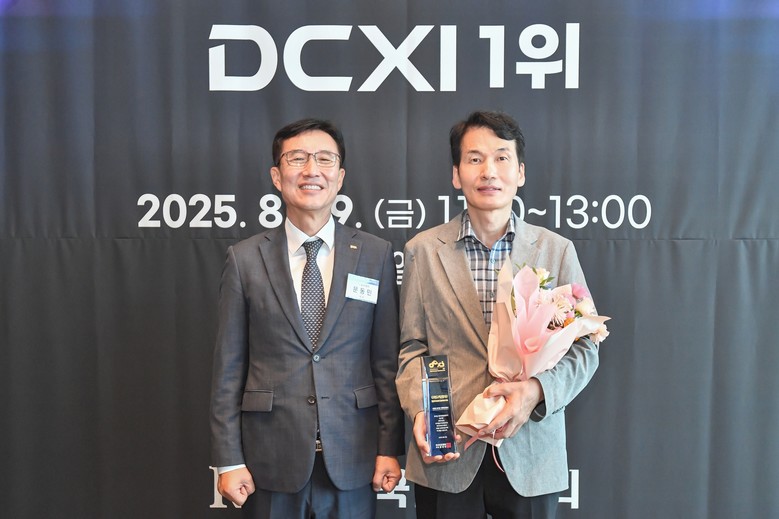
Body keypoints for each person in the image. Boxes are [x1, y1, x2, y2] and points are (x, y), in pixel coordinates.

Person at [395, 111, 599, 519]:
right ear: (456, 175)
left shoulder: (555, 250)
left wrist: (535, 391)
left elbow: (585, 349)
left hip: (530, 452)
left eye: (501, 158)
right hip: (449, 450)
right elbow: (412, 348)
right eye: (474, 159)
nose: (488, 171)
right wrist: (421, 410)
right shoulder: (423, 250)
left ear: (520, 172)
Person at [210, 118, 404, 518]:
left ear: (340, 177)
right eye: (297, 158)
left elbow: (386, 363)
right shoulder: (245, 260)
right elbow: (229, 369)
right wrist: (228, 459)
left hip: (353, 457)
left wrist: (389, 448)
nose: (311, 170)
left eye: (324, 159)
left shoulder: (375, 254)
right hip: (269, 460)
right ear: (276, 176)